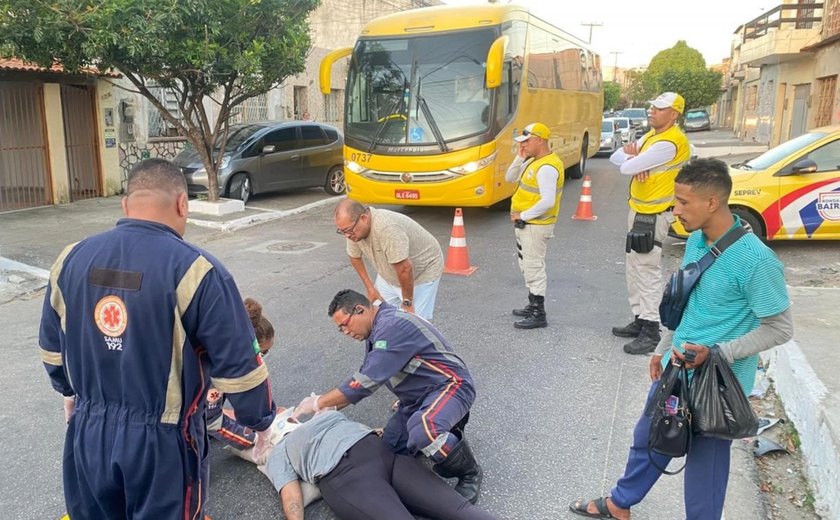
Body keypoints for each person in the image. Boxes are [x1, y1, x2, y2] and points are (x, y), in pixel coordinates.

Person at [38, 158, 277, 519]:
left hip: (87, 434)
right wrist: (261, 421)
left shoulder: (69, 260)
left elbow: (52, 351)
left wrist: (69, 393)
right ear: (183, 204)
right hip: (162, 444)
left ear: (126, 205)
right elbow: (241, 372)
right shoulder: (198, 272)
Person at [569, 158, 793, 520]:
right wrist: (661, 348)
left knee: (706, 468)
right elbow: (687, 304)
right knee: (650, 438)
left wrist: (719, 353)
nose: (675, 209)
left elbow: (780, 328)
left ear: (712, 203)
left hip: (718, 382)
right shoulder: (695, 242)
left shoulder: (757, 261)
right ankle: (619, 503)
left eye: (683, 202)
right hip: (678, 368)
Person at [293, 289, 483, 504]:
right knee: (388, 449)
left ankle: (470, 472)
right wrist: (333, 405)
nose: (344, 332)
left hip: (451, 387)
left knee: (425, 430)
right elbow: (368, 372)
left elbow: (364, 382)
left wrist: (318, 402)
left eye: (344, 325)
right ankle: (439, 432)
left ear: (359, 310)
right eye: (340, 329)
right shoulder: (377, 330)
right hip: (417, 399)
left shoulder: (391, 328)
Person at [265, 409, 499, 520]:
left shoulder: (280, 451)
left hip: (350, 478)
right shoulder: (327, 417)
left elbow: (291, 498)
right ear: (292, 419)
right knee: (458, 510)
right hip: (382, 455)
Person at [609, 92, 691, 354]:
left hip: (654, 214)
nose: (652, 111)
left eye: (660, 108)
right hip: (641, 210)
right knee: (634, 268)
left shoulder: (669, 142)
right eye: (652, 106)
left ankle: (651, 330)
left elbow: (623, 167)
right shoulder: (651, 137)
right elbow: (615, 157)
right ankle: (640, 318)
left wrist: (632, 161)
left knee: (647, 270)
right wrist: (634, 160)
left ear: (674, 114)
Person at [334, 199, 444, 320]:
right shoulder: (353, 231)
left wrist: (407, 303)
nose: (347, 236)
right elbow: (354, 256)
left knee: (413, 323)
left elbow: (405, 269)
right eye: (342, 231)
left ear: (364, 218)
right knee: (378, 316)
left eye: (348, 230)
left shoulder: (387, 228)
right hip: (390, 271)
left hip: (422, 270)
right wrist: (370, 289)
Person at [504, 122, 564, 329]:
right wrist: (520, 157)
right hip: (527, 224)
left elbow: (547, 201)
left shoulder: (546, 167)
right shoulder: (534, 161)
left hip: (535, 225)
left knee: (533, 267)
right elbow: (509, 177)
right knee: (526, 265)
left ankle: (539, 313)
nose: (524, 145)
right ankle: (532, 304)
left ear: (540, 140)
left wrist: (524, 215)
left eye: (527, 141)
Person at [206, 298, 275, 453]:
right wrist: (253, 439)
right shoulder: (214, 368)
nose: (261, 358)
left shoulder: (223, 348)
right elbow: (212, 420)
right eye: (262, 353)